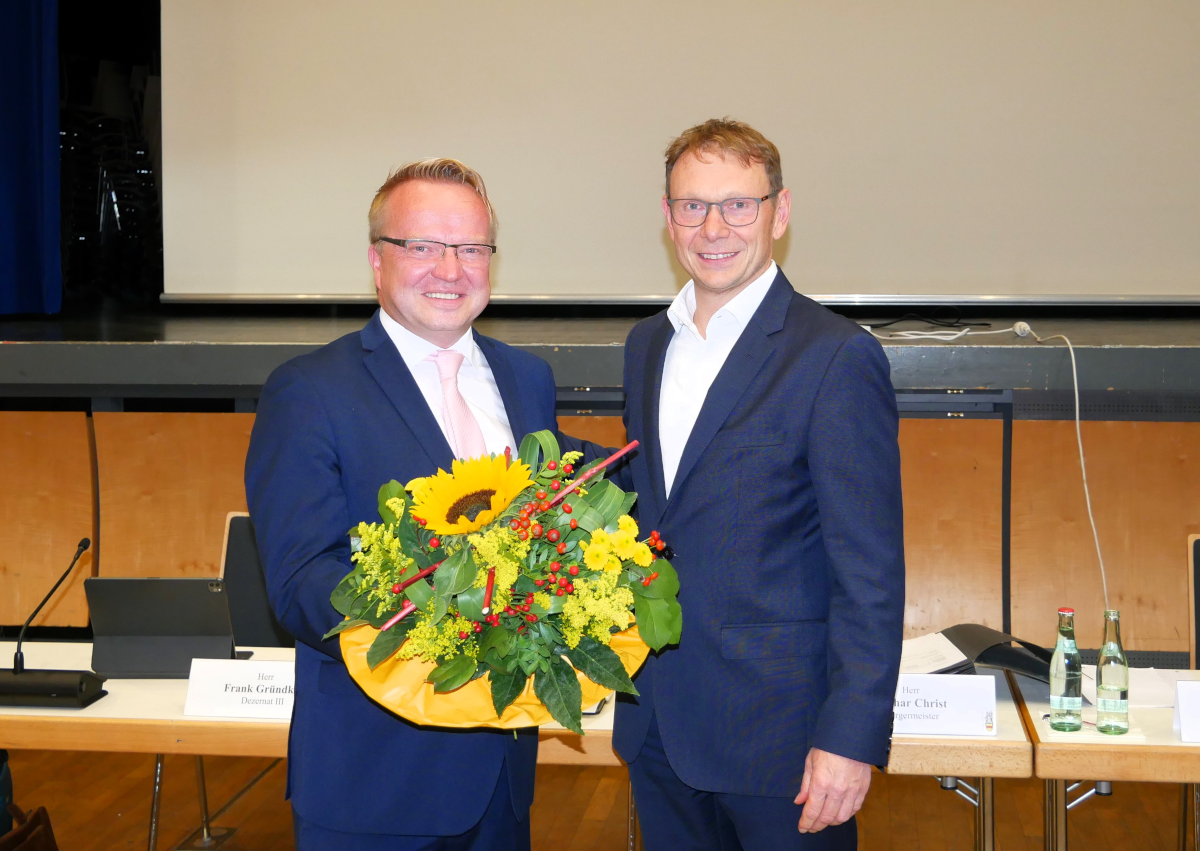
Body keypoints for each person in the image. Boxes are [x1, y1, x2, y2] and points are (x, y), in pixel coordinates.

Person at [246, 158, 595, 850]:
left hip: (501, 783)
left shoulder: (528, 379)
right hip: (374, 786)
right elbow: (298, 583)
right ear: (377, 261)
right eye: (423, 247)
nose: (451, 268)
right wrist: (445, 616)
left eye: (470, 248)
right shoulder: (308, 391)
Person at [613, 119, 905, 850]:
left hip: (785, 746)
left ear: (779, 212)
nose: (714, 227)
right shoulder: (647, 345)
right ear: (666, 215)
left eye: (738, 204)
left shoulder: (835, 357)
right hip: (658, 727)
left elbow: (869, 571)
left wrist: (850, 736)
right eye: (692, 205)